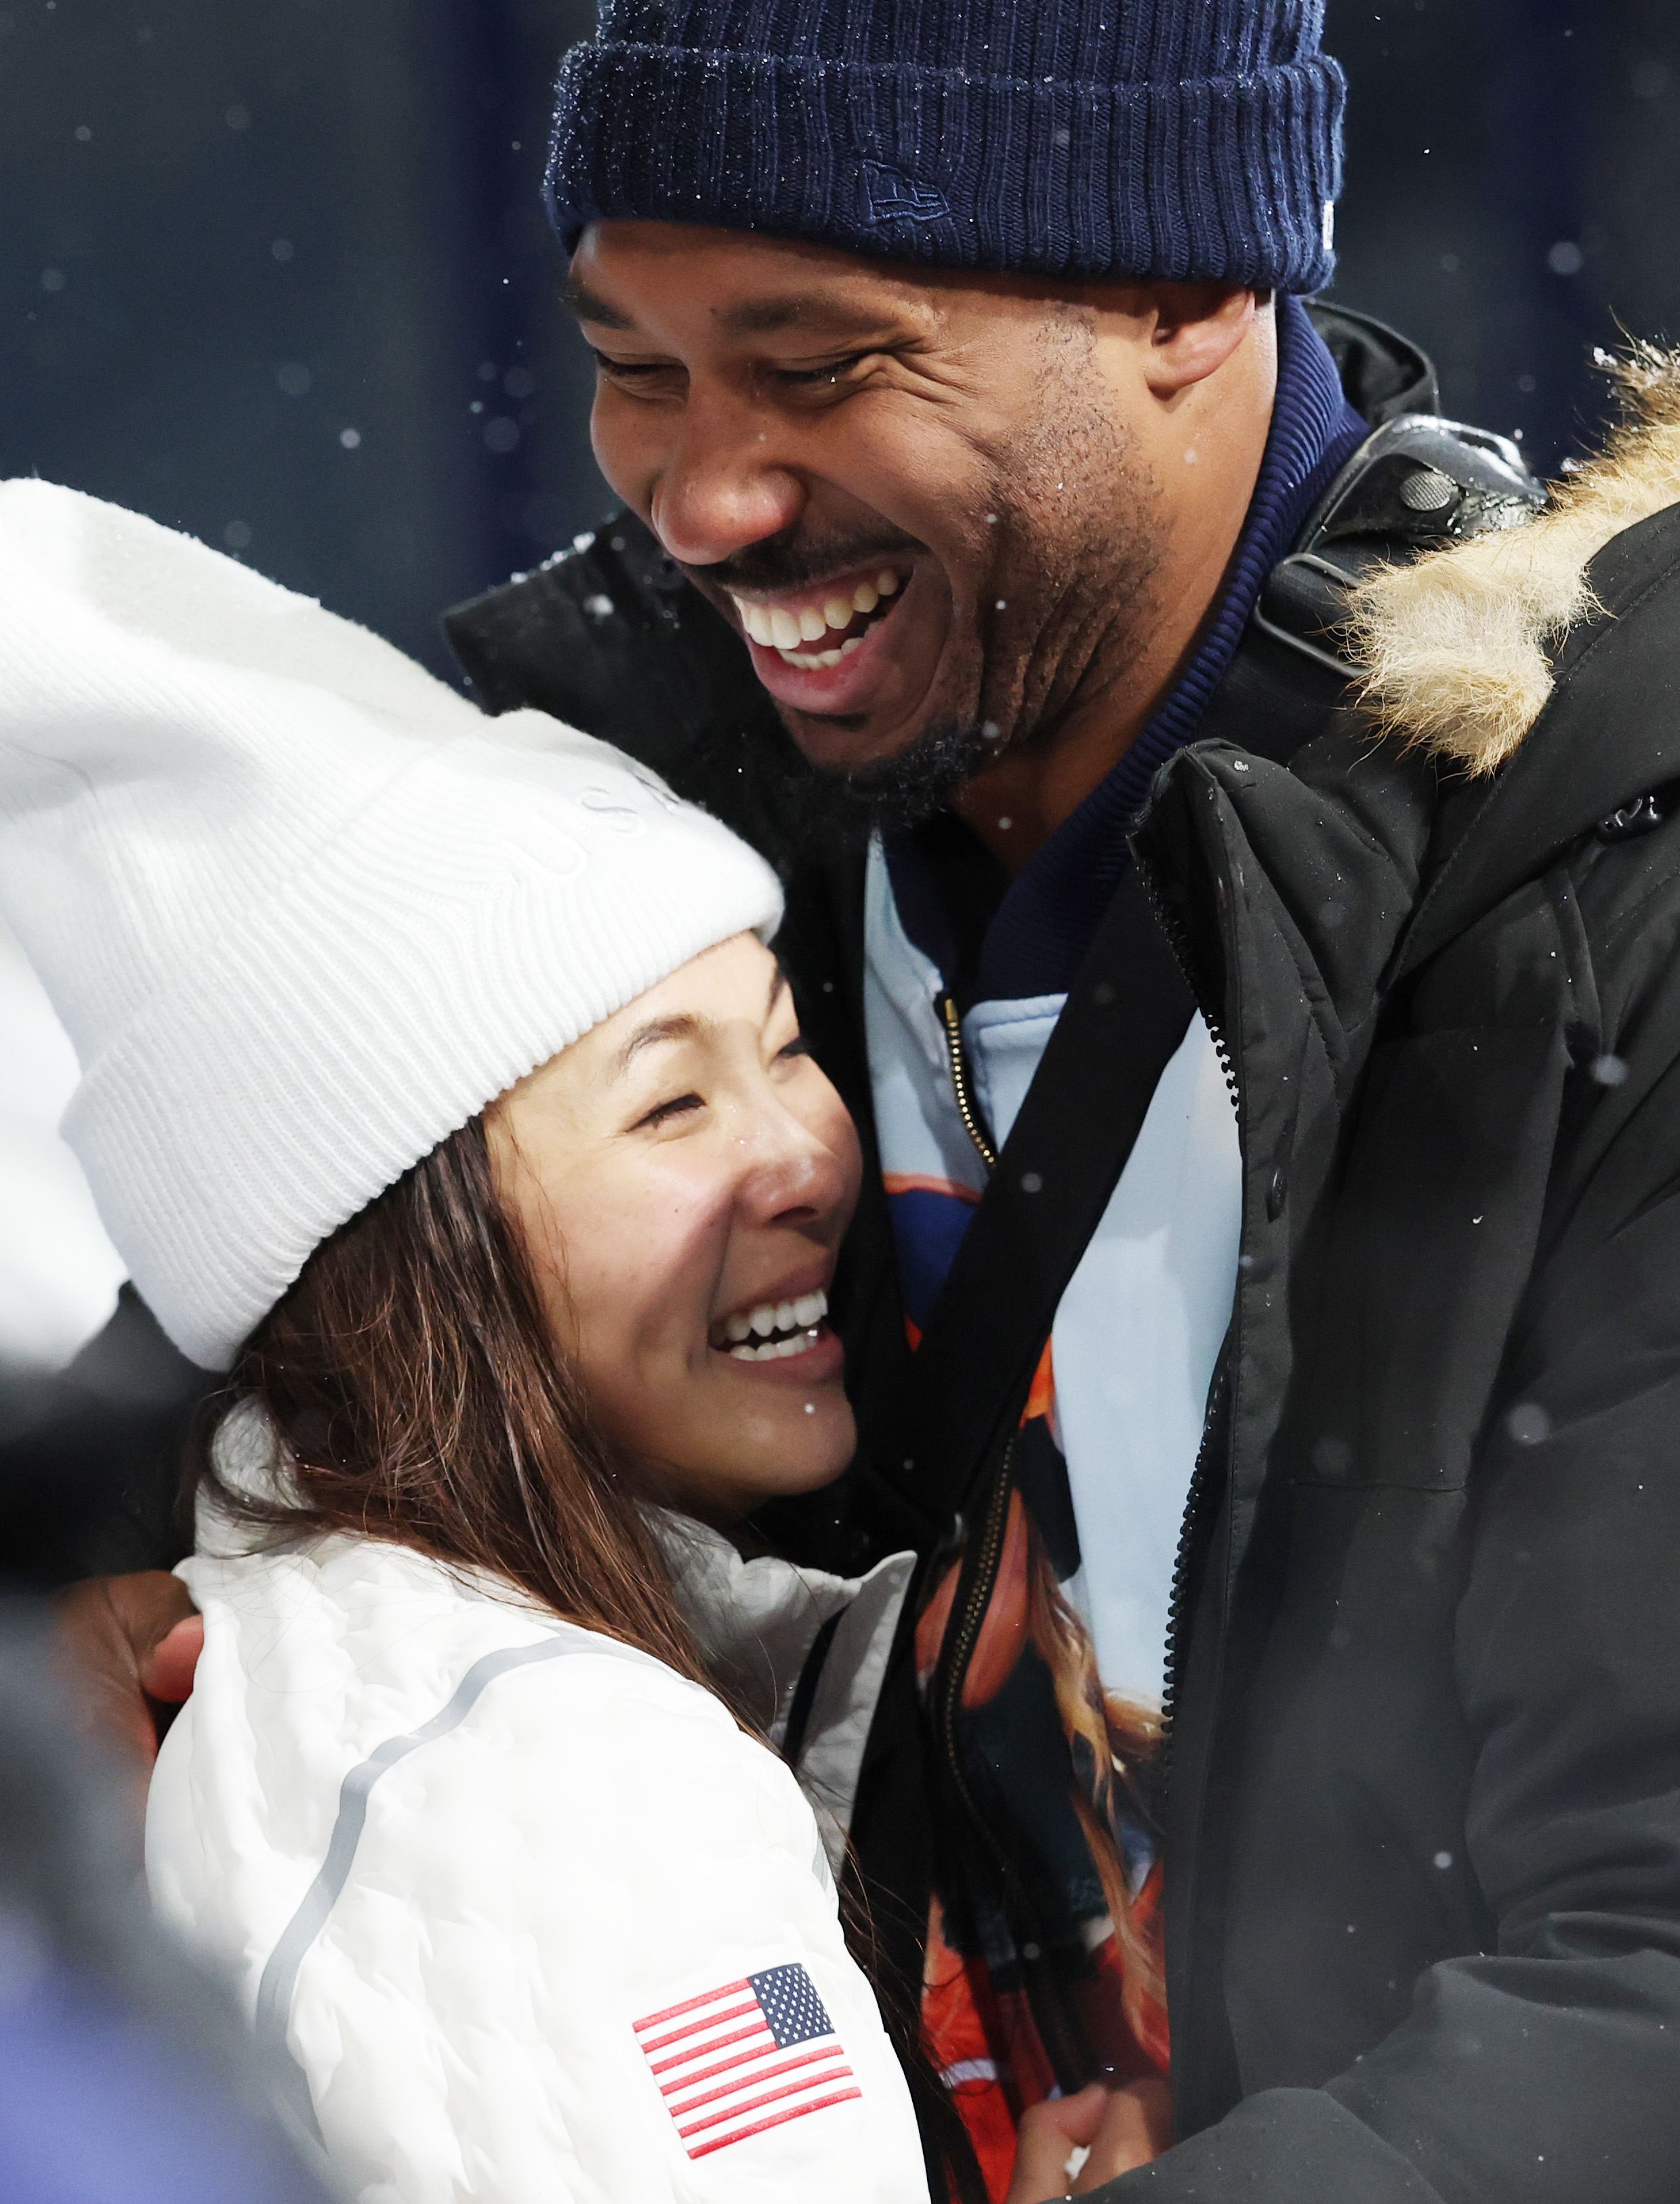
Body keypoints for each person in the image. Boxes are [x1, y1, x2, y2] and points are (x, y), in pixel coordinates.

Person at [41, 3, 1680, 2200]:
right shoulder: (618, 821)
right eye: (635, 361)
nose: (706, 497)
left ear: (1191, 289)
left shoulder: (1598, 892)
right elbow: (257, 1297)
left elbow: (1646, 1984)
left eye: (822, 367)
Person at [0, 478, 972, 2204]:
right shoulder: (574, 1773)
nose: (806, 1157)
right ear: (405, 1258)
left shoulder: (324, 1685)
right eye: (671, 1104)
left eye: (785, 1042)